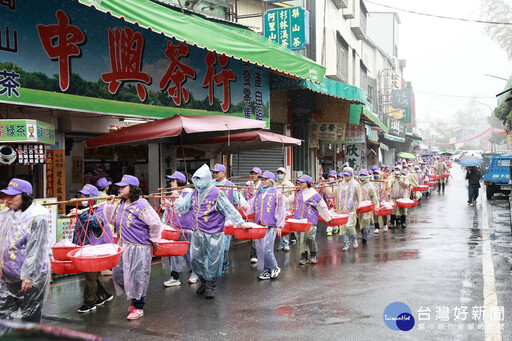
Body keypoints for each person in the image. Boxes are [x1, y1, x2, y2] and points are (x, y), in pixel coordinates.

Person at [174, 164, 251, 299]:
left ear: (207, 179)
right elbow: (184, 208)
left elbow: (229, 209)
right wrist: (175, 200)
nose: (198, 182)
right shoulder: (194, 193)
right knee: (195, 259)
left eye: (200, 179)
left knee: (214, 260)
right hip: (198, 231)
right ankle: (203, 280)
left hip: (214, 232)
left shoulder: (216, 193)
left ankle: (210, 286)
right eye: (196, 179)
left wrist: (241, 222)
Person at [104, 175, 164, 320]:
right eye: (119, 187)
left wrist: (155, 239)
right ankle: (134, 298)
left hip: (139, 247)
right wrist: (110, 205)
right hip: (124, 245)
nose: (119, 189)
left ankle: (138, 306)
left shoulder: (142, 205)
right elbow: (112, 220)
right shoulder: (121, 204)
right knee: (119, 274)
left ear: (132, 189)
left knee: (138, 277)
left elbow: (155, 223)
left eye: (123, 187)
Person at [0, 178, 50, 322]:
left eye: (12, 196)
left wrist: (29, 275)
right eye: (6, 195)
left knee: (30, 317)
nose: (8, 199)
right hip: (8, 277)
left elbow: (37, 248)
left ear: (25, 196)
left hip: (31, 278)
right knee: (3, 315)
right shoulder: (6, 215)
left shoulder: (37, 217)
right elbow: (3, 242)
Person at [71, 184, 114, 313]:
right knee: (93, 274)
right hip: (87, 248)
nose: (82, 198)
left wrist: (81, 214)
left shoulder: (99, 209)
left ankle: (89, 302)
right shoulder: (83, 209)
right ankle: (104, 295)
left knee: (90, 275)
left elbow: (96, 222)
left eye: (85, 196)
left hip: (97, 248)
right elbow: (79, 231)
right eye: (81, 196)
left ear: (92, 198)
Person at [244, 171, 286, 279]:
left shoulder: (277, 193)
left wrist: (279, 225)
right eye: (262, 179)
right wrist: (244, 207)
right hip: (260, 225)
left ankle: (274, 267)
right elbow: (251, 204)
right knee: (260, 249)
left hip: (270, 226)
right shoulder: (259, 192)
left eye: (266, 179)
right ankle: (267, 270)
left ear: (271, 181)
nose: (263, 181)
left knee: (267, 249)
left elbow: (281, 209)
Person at [160, 171, 198, 287]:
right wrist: (163, 223)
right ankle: (175, 276)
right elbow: (169, 211)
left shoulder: (190, 193)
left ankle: (194, 272)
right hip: (174, 229)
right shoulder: (173, 193)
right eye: (171, 180)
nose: (171, 183)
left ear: (180, 182)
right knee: (172, 252)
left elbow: (187, 208)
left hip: (186, 228)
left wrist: (176, 199)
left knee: (188, 252)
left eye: (173, 180)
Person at [211, 164, 246, 273]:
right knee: (213, 246)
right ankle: (216, 265)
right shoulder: (210, 185)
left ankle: (223, 262)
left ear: (224, 173)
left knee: (225, 246)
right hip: (213, 219)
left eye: (217, 172)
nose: (215, 174)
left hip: (227, 220)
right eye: (214, 172)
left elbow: (240, 200)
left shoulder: (231, 185)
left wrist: (245, 208)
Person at [289, 175, 331, 264]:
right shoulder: (297, 192)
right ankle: (303, 256)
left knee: (309, 237)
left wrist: (328, 218)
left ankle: (313, 253)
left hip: (310, 220)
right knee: (300, 239)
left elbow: (322, 207)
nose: (299, 183)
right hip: (298, 220)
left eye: (302, 182)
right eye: (299, 182)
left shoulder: (314, 194)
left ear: (308, 183)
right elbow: (289, 202)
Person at [325, 167, 362, 251]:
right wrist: (326, 187)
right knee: (343, 228)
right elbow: (333, 193)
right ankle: (346, 244)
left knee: (349, 226)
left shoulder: (356, 184)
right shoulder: (340, 184)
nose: (346, 176)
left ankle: (353, 239)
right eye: (344, 175)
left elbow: (359, 196)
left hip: (351, 210)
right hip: (341, 210)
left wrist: (359, 205)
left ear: (351, 175)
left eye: (347, 175)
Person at [275, 167, 295, 251]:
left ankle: (286, 243)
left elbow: (294, 193)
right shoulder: (275, 184)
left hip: (286, 207)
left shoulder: (289, 184)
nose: (280, 174)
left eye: (281, 173)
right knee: (279, 225)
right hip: (277, 208)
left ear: (285, 174)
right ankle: (281, 243)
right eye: (278, 173)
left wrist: (288, 200)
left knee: (285, 225)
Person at [245, 167, 262, 263]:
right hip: (251, 212)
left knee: (259, 233)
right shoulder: (249, 184)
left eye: (256, 173)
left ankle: (257, 253)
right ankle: (254, 253)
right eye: (252, 173)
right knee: (253, 233)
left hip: (261, 212)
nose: (253, 175)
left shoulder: (262, 185)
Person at [358, 170, 379, 244]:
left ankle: (365, 236)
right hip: (359, 206)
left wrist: (376, 206)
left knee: (366, 219)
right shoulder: (357, 184)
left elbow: (374, 197)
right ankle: (363, 231)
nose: (362, 177)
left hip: (367, 205)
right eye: (361, 175)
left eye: (364, 175)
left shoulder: (370, 185)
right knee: (360, 220)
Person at [372, 169, 388, 233]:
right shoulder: (372, 183)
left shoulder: (383, 182)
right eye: (375, 174)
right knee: (375, 213)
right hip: (375, 200)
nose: (376, 175)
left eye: (377, 174)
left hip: (382, 199)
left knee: (384, 213)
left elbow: (387, 189)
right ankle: (376, 227)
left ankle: (385, 224)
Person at [323, 170, 339, 236]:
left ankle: (332, 228)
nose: (331, 178)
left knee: (334, 216)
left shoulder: (337, 185)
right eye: (330, 176)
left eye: (332, 177)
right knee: (329, 216)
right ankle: (333, 228)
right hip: (328, 203)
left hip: (336, 203)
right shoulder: (326, 185)